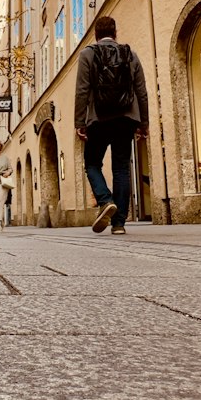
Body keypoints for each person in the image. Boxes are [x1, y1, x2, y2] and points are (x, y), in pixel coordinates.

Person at [75, 15, 148, 236]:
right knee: (121, 168)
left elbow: (82, 90)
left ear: (95, 34)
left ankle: (105, 200)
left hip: (99, 117)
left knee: (92, 163)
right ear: (115, 32)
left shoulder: (87, 54)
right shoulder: (130, 54)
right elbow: (141, 91)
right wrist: (144, 123)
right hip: (126, 118)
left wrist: (80, 122)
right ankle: (119, 224)